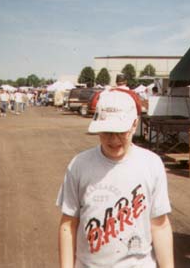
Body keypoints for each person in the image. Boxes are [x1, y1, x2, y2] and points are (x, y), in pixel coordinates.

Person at [56, 89, 174, 268]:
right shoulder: (79, 165)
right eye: (106, 132)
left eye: (121, 132)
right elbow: (68, 225)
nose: (113, 140)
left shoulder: (151, 164)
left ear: (134, 125)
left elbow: (160, 226)